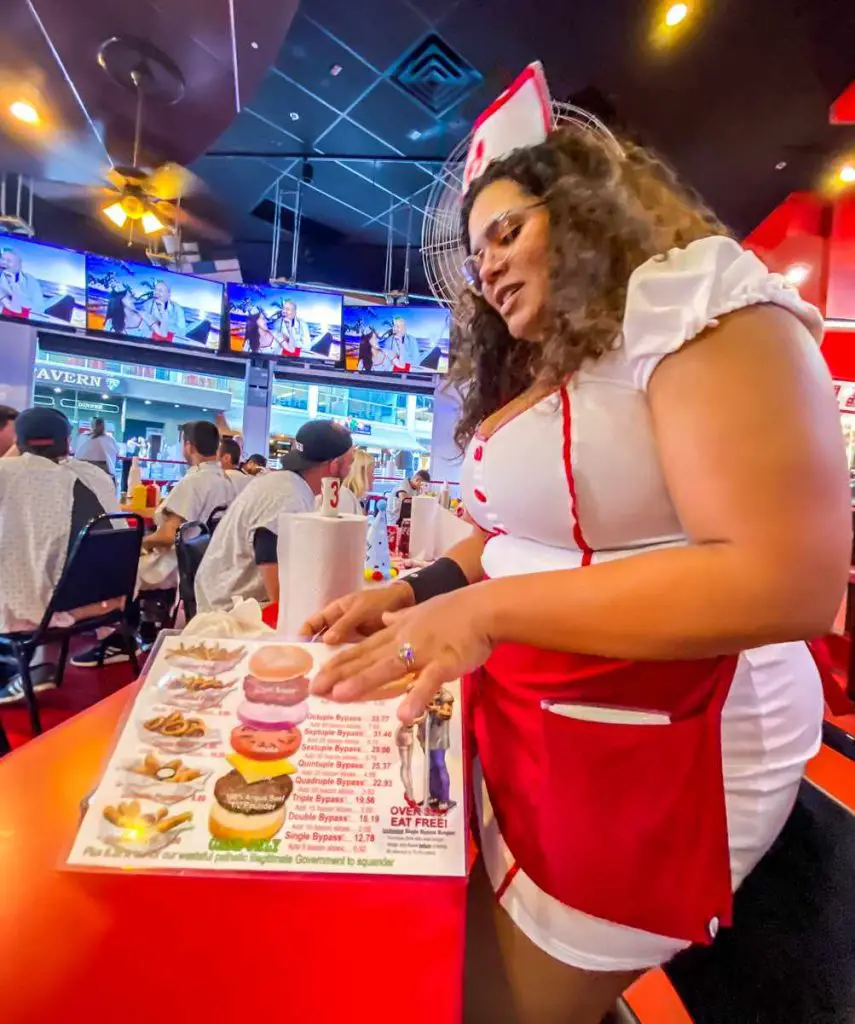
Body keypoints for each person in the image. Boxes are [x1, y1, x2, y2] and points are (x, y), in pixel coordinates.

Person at [300, 82, 849, 1023]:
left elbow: (784, 577)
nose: (488, 268)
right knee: (450, 953)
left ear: (585, 208)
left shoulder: (697, 299)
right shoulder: (564, 360)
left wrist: (478, 612)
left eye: (507, 232)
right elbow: (520, 535)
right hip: (543, 710)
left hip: (666, 735)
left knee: (492, 1004)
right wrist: (417, 588)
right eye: (476, 252)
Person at [72, 420, 234, 668]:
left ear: (188, 446)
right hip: (202, 560)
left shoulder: (193, 483)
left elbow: (168, 536)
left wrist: (137, 543)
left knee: (111, 566)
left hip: (176, 563)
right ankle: (142, 625)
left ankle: (117, 638)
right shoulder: (225, 482)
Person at [0, 408, 119, 702]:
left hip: (49, 605)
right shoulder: (95, 476)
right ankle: (41, 663)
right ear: (67, 442)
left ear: (19, 440)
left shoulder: (8, 472)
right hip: (107, 596)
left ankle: (35, 662)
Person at [195, 420, 354, 613]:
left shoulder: (290, 486)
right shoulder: (287, 497)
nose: (351, 468)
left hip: (236, 602)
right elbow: (279, 596)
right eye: (350, 462)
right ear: (334, 466)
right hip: (229, 617)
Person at [0, 246, 44, 320]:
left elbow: (36, 309)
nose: (4, 263)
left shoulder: (29, 281)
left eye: (8, 260)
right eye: (3, 259)